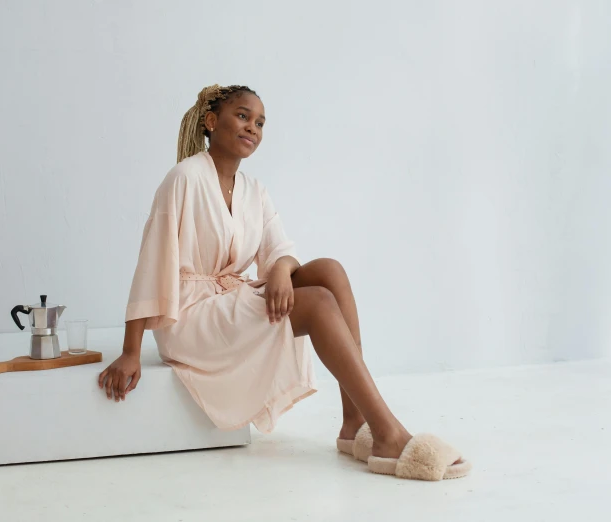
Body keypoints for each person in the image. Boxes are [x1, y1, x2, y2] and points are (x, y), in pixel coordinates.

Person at [98, 84, 470, 481]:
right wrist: (130, 351)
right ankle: (388, 434)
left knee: (329, 271)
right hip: (189, 317)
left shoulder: (254, 191)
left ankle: (354, 425)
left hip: (230, 298)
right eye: (242, 116)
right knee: (318, 304)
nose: (253, 128)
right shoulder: (184, 178)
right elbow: (151, 261)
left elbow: (282, 250)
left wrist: (278, 269)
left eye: (259, 122)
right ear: (211, 122)